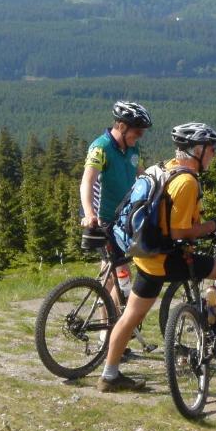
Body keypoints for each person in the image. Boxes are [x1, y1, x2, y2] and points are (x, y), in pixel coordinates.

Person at [96, 122, 216, 392]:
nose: (214, 154)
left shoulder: (164, 168)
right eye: (212, 149)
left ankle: (109, 375)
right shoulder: (187, 182)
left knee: (129, 316)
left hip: (145, 257)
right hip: (169, 259)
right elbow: (179, 231)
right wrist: (210, 227)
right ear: (197, 150)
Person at [79, 101, 152, 317]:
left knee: (117, 274)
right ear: (121, 126)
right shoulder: (100, 147)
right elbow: (87, 182)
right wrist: (89, 214)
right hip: (105, 220)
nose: (139, 136)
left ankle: (113, 327)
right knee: (114, 274)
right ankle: (108, 334)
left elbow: (142, 175)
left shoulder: (132, 148)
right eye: (137, 131)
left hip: (125, 219)